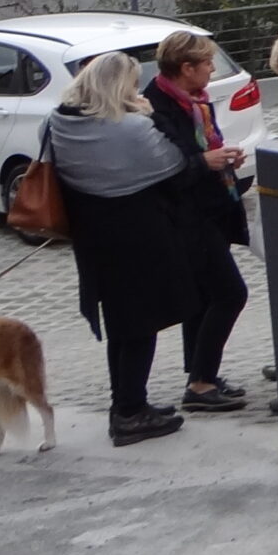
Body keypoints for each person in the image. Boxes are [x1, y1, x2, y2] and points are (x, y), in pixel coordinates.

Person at [49, 51, 194, 446]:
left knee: (121, 326)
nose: (135, 90)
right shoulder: (129, 128)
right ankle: (130, 413)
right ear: (118, 87)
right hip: (138, 235)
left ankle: (127, 403)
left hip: (94, 238)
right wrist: (150, 114)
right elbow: (174, 161)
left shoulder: (59, 121)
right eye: (131, 84)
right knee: (142, 327)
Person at [145, 30, 252, 415]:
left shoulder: (195, 102)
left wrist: (224, 160)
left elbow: (203, 150)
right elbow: (163, 170)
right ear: (185, 68)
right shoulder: (157, 109)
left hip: (212, 209)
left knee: (204, 297)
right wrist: (204, 163)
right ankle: (201, 382)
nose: (211, 69)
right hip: (187, 217)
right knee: (230, 294)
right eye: (206, 63)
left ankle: (201, 375)